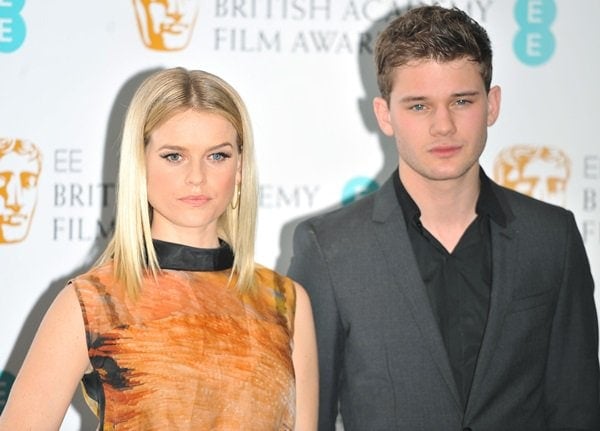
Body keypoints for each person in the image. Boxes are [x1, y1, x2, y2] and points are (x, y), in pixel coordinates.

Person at [288, 5, 599, 430]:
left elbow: (577, 408)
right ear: (385, 115)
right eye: (419, 106)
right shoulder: (329, 250)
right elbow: (309, 418)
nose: (443, 126)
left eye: (461, 101)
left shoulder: (551, 238)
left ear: (492, 104)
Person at [0, 67, 318, 430]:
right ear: (140, 162)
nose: (196, 176)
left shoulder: (285, 303)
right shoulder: (93, 302)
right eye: (173, 156)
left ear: (241, 166)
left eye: (217, 156)